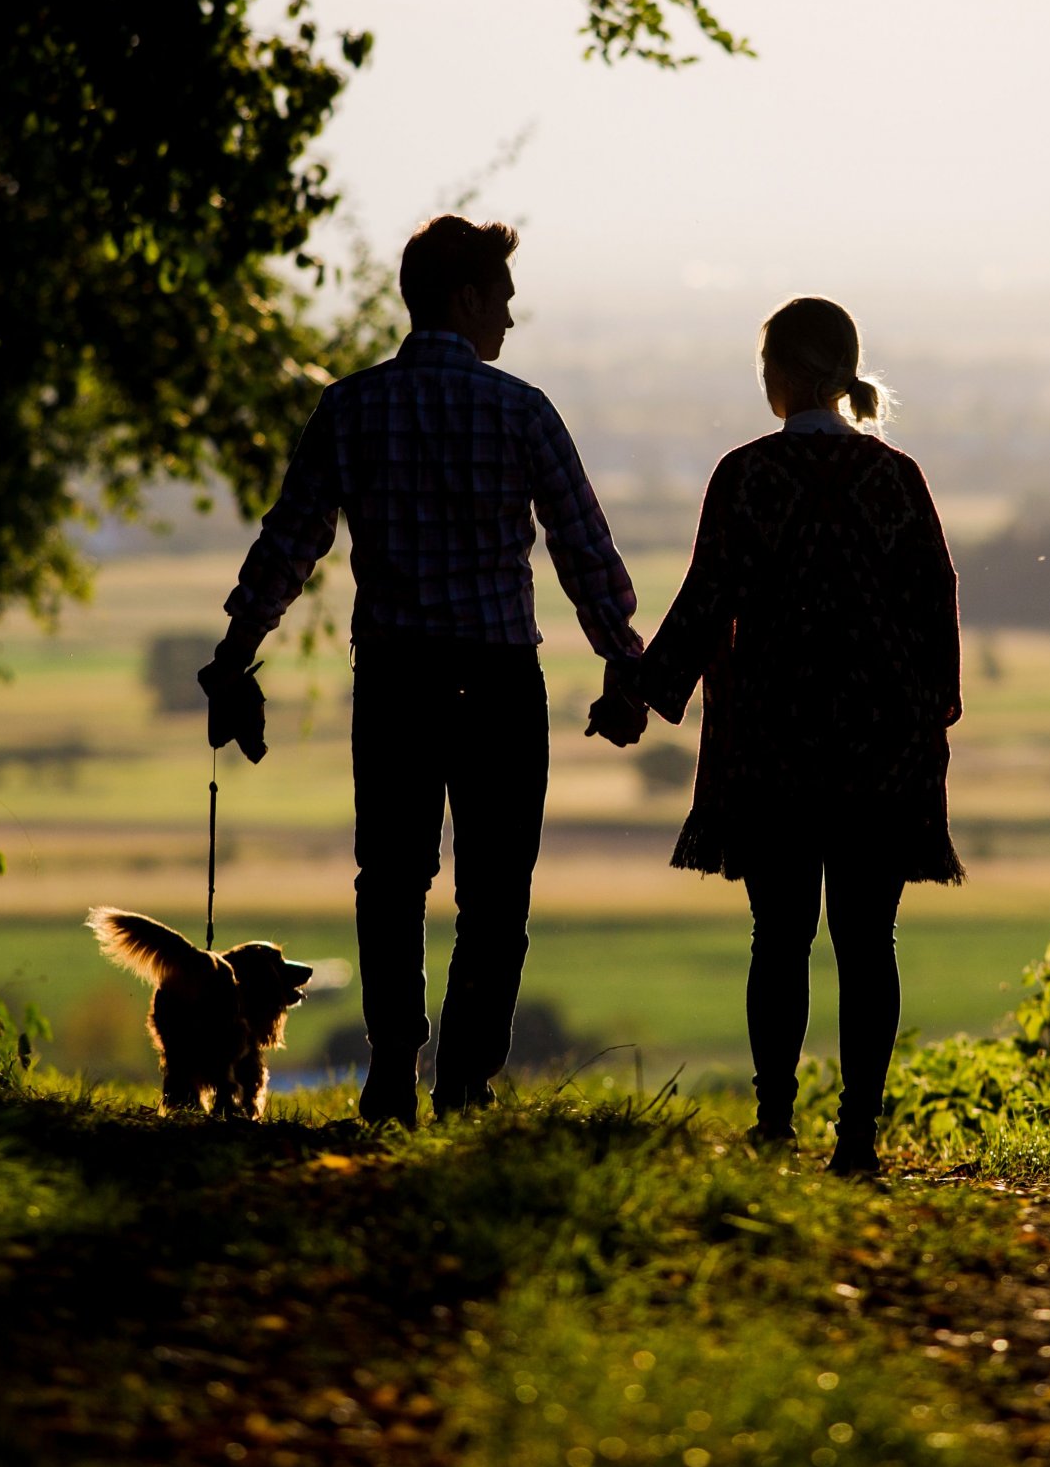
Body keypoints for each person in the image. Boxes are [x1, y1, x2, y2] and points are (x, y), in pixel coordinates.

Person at [198, 214, 648, 1128]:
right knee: (496, 887)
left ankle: (392, 1068)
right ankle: (467, 1078)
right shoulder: (523, 409)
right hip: (499, 680)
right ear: (469, 296)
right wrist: (624, 662)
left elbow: (291, 542)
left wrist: (236, 652)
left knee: (392, 876)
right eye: (506, 300)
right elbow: (584, 553)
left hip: (397, 677)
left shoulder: (349, 408)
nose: (512, 323)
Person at [616, 296, 962, 1176]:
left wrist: (640, 698)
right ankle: (859, 1136)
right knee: (867, 939)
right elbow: (936, 609)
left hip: (770, 748)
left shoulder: (747, 476)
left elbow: (705, 601)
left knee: (780, 935)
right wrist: (930, 717)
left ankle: (775, 1125)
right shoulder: (898, 478)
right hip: (882, 753)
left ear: (790, 376)